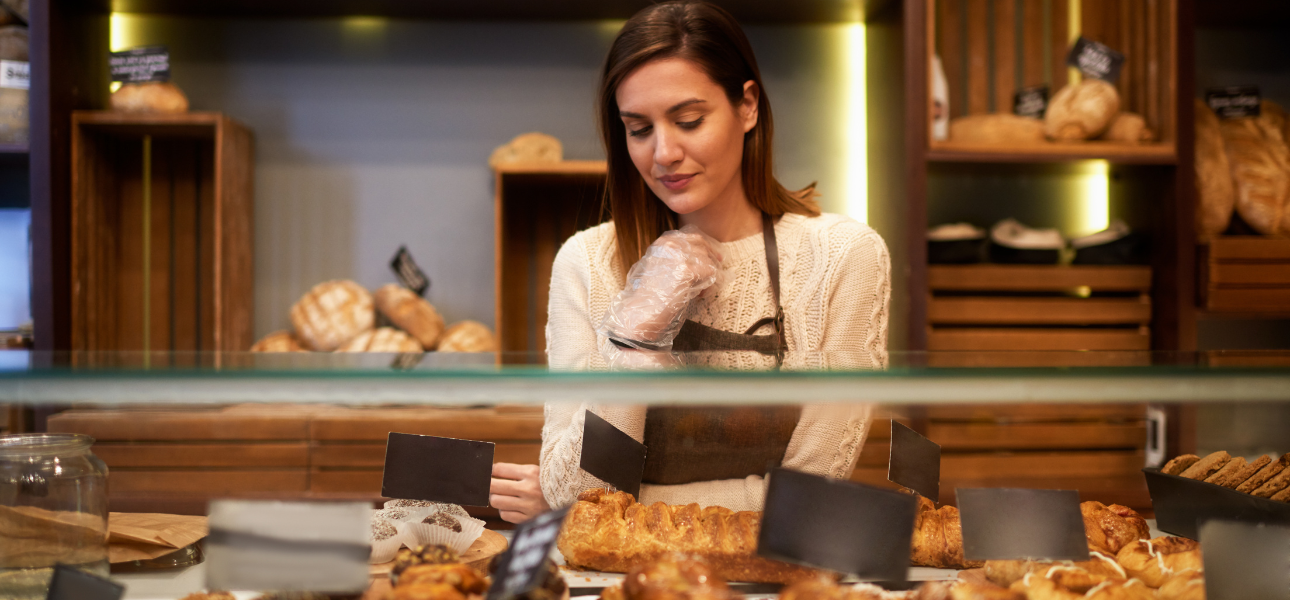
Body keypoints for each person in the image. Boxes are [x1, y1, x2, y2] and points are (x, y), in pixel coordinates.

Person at [488, 0, 890, 524]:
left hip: (766, 576)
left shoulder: (842, 256)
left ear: (747, 106)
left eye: (689, 120)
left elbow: (807, 503)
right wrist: (636, 334)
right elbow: (576, 491)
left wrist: (639, 506)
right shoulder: (587, 261)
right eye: (639, 129)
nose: (663, 153)